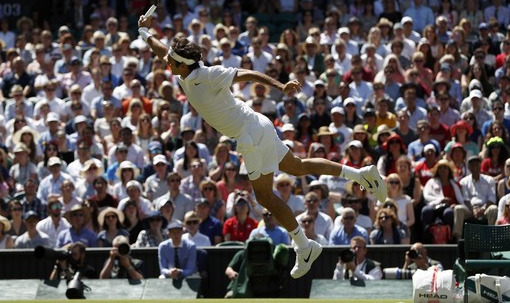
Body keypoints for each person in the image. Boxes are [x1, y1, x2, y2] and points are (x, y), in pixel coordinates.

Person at [138, 14, 386, 278]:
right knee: (298, 167)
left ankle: (304, 246)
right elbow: (162, 50)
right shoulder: (182, 71)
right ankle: (360, 174)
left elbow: (249, 74)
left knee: (265, 196)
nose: (167, 62)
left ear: (183, 64)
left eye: (172, 62)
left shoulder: (209, 75)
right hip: (258, 126)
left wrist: (280, 85)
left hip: (250, 133)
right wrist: (144, 32)